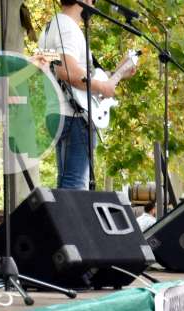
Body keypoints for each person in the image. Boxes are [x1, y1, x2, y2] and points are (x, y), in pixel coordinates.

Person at [40, 0, 137, 189]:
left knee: (66, 183)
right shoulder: (68, 26)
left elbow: (80, 75)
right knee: (75, 186)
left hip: (59, 111)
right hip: (74, 115)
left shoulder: (52, 26)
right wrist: (103, 87)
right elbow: (68, 72)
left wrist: (118, 73)